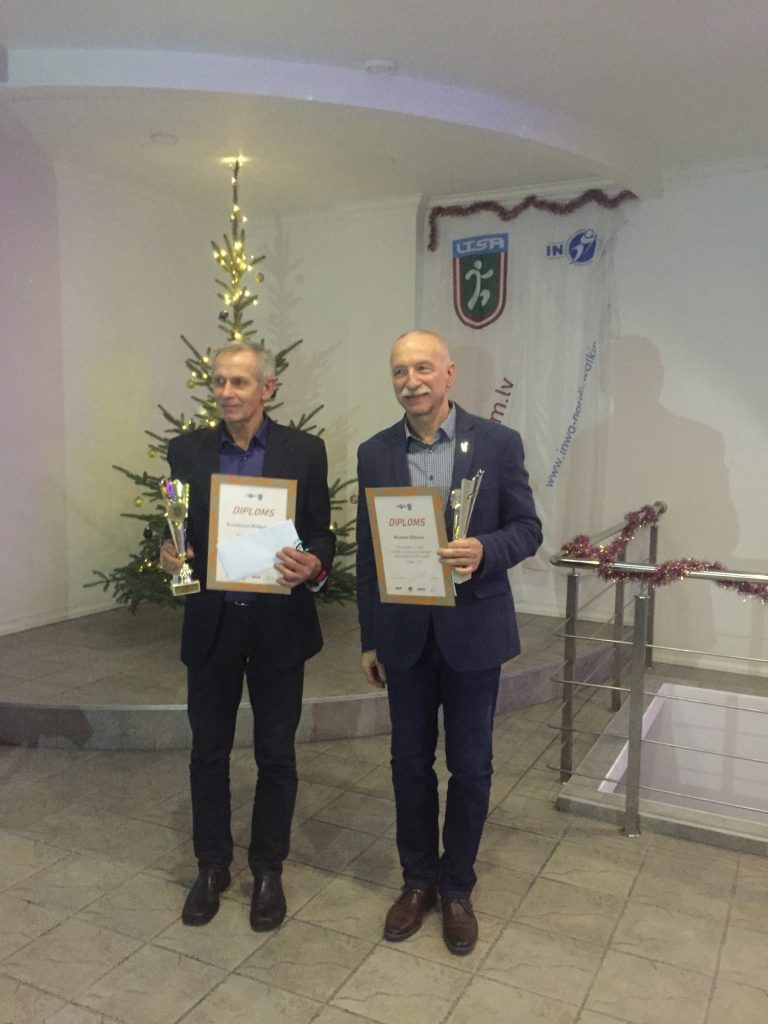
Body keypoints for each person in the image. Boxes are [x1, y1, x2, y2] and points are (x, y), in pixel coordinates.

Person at [356, 329, 542, 955]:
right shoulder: (376, 451)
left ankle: (457, 886)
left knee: (471, 765)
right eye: (399, 371)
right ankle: (417, 881)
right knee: (408, 764)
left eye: (422, 369)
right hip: (405, 635)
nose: (410, 381)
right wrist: (369, 637)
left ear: (449, 374)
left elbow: (528, 528)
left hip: (473, 634)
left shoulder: (497, 444)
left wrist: (486, 548)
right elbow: (369, 550)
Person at [160, 341, 334, 931]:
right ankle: (211, 866)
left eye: (239, 381)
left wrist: (314, 562)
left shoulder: (304, 451)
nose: (227, 392)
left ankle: (268, 870)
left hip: (278, 626)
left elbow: (320, 534)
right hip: (212, 624)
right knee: (207, 752)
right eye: (219, 382)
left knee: (276, 754)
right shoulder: (187, 451)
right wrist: (171, 557)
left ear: (267, 387)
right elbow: (178, 533)